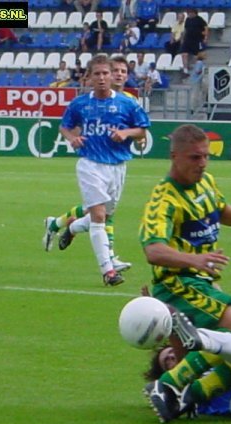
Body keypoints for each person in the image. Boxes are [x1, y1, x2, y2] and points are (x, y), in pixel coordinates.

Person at [138, 124, 231, 349]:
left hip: (204, 284)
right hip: (177, 285)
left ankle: (201, 372)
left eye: (206, 156)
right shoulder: (164, 200)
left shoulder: (206, 181)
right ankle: (182, 379)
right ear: (175, 156)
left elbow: (219, 209)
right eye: (195, 157)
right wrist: (194, 260)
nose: (202, 163)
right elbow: (153, 251)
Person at [56, 54, 150, 286]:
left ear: (111, 76)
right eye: (96, 74)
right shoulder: (80, 103)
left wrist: (125, 134)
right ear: (88, 78)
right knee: (99, 216)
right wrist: (72, 138)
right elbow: (64, 126)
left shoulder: (127, 103)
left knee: (103, 217)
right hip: (90, 165)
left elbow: (142, 130)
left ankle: (73, 227)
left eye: (105, 73)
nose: (101, 78)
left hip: (117, 167)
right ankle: (108, 271)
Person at [180, 9, 209, 75]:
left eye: (190, 13)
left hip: (197, 40)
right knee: (184, 54)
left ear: (194, 13)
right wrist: (182, 38)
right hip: (187, 39)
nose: (189, 14)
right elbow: (185, 29)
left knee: (196, 55)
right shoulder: (187, 20)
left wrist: (206, 37)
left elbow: (206, 28)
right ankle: (185, 70)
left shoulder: (199, 19)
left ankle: (197, 69)